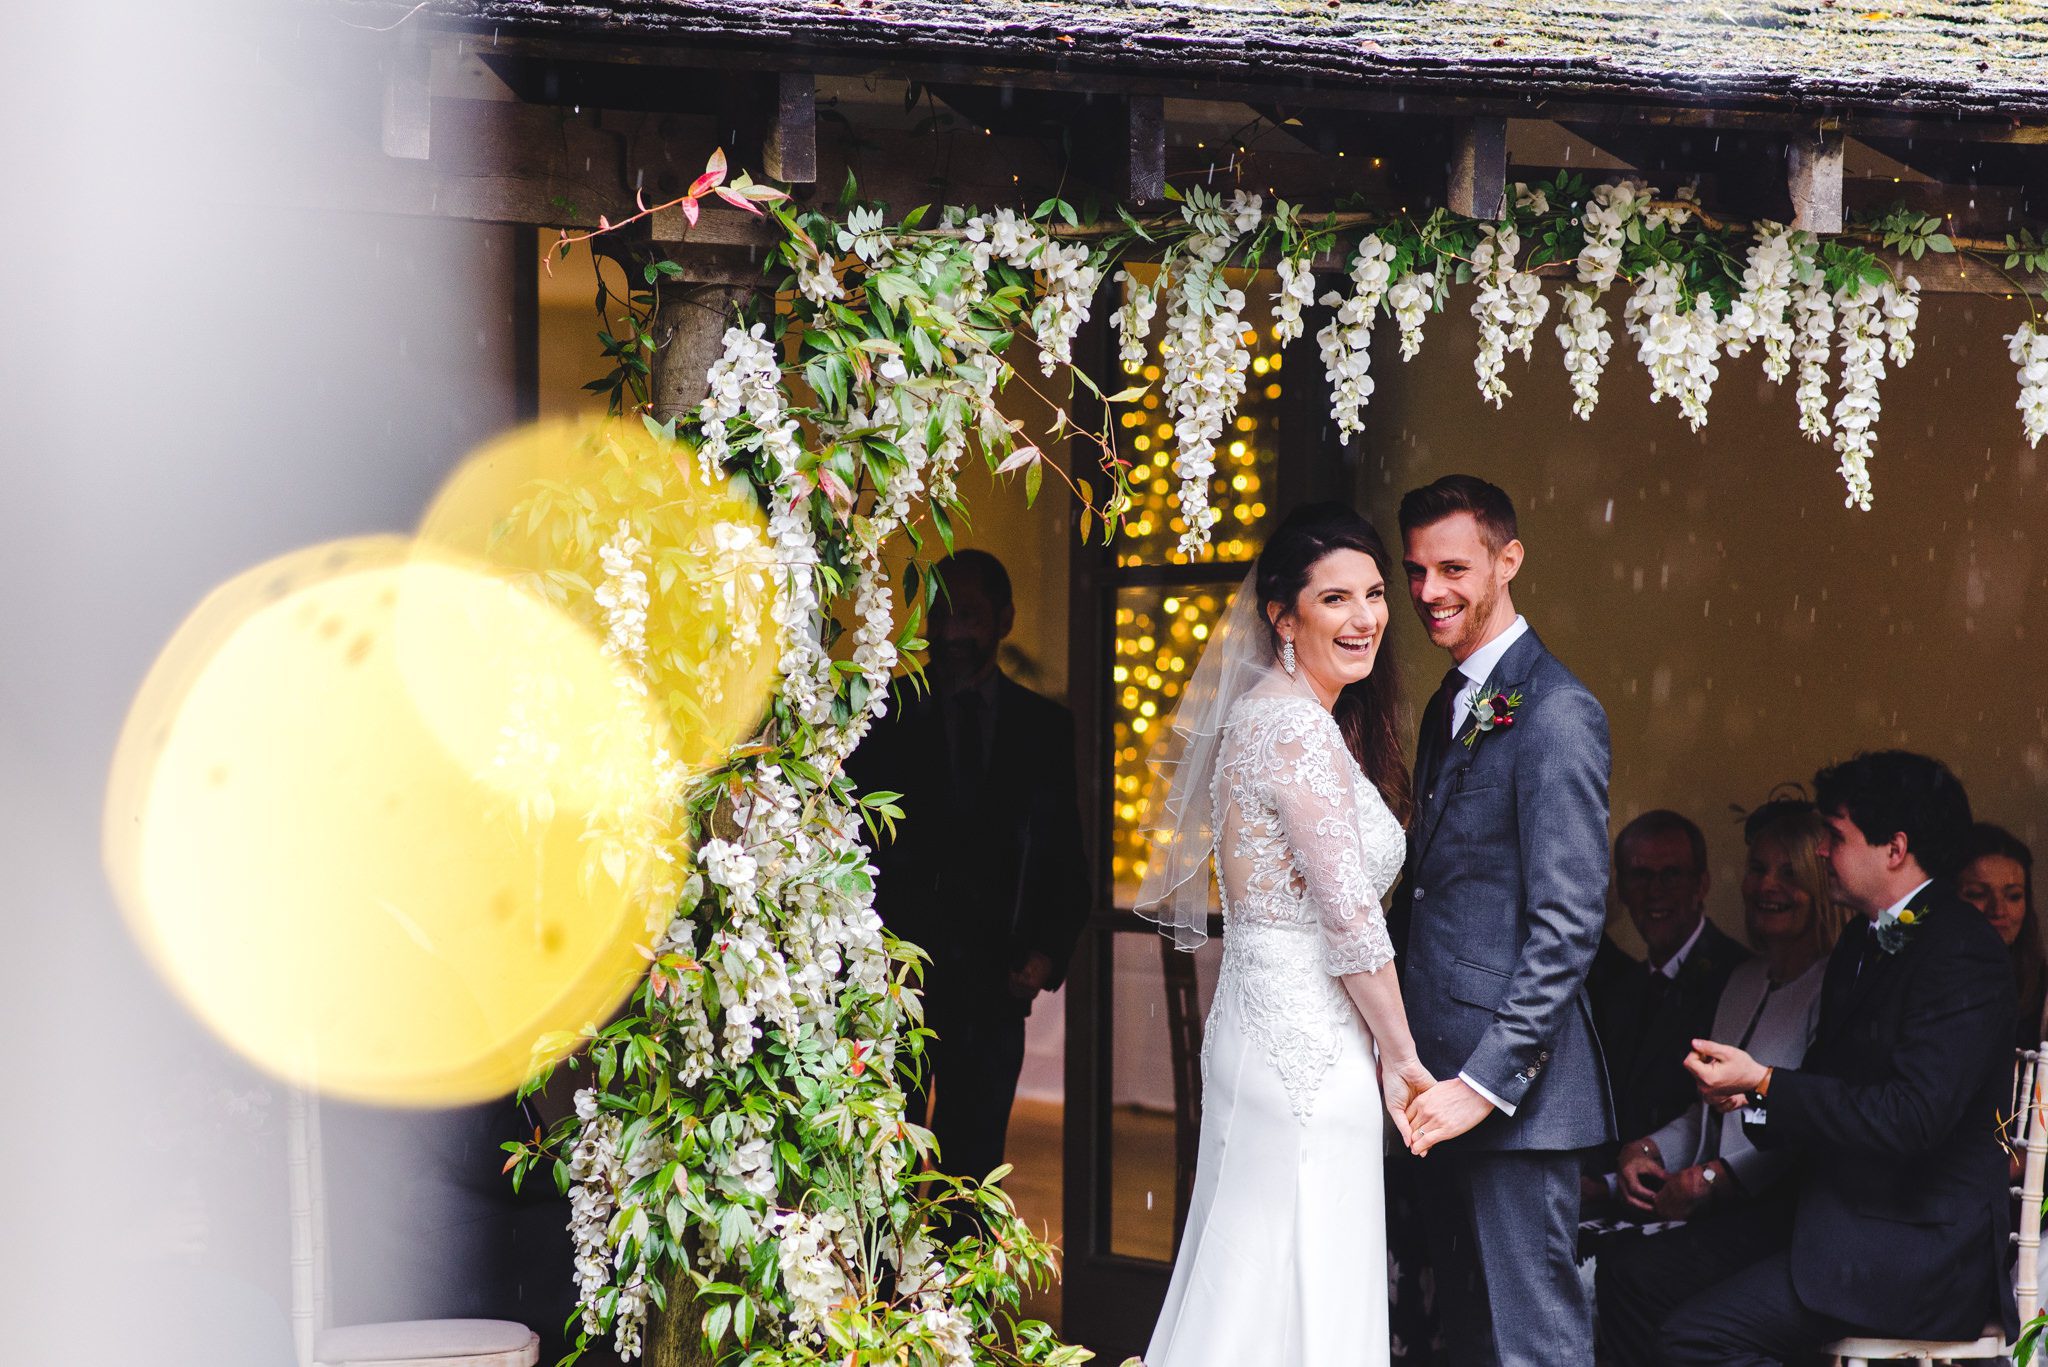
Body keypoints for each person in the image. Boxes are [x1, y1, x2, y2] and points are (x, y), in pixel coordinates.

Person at [1138, 502, 1432, 1367]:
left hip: (1269, 1025)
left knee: (1255, 1281)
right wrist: (1404, 1055)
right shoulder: (1296, 727)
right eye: (1335, 598)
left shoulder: (1272, 713)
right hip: (1304, 1041)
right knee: (1294, 1285)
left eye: (1375, 594)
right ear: (1282, 614)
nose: (1365, 618)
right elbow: (1348, 916)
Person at [1672, 750, 2017, 1364]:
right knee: (1639, 1277)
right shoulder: (1862, 937)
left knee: (1698, 1336)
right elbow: (1835, 1088)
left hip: (1916, 1252)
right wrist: (1753, 1093)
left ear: (1895, 848)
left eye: (1835, 836)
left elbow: (1913, 1118)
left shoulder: (1964, 951)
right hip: (1840, 1219)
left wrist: (1770, 1081)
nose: (1823, 853)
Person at [1393, 474, 1614, 1367]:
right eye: (1414, 571)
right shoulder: (1454, 702)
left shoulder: (1558, 711)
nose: (1428, 592)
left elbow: (1567, 924)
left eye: (1453, 567)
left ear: (1508, 559)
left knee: (1534, 1348)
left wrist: (1481, 1083)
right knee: (1472, 1342)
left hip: (1515, 1103)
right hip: (1442, 1091)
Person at [847, 549, 1090, 1189]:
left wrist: (1044, 954)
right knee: (879, 1175)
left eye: (972, 616)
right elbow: (848, 855)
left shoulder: (1044, 728)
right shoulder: (880, 719)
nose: (954, 633)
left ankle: (956, 1293)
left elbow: (1065, 857)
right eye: (941, 615)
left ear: (1005, 619)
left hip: (992, 994)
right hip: (894, 994)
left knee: (972, 1174)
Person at [1594, 799, 1844, 1367]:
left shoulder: (1833, 987)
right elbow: (1707, 1110)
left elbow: (1808, 1120)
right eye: (1758, 869)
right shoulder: (1742, 978)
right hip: (1717, 1209)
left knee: (1636, 1277)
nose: (1767, 886)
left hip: (1785, 1215)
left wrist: (1715, 1179)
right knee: (1619, 1264)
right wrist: (1648, 1148)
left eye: (1789, 872)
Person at [1590, 811, 1751, 1152]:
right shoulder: (1619, 988)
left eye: (1671, 875)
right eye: (1640, 876)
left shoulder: (1740, 978)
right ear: (1621, 890)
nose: (1655, 892)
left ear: (1701, 884)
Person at [1958, 822, 2044, 1046]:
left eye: (2013, 896)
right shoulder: (1927, 978)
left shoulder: (2043, 994)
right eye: (1977, 894)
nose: (1998, 910)